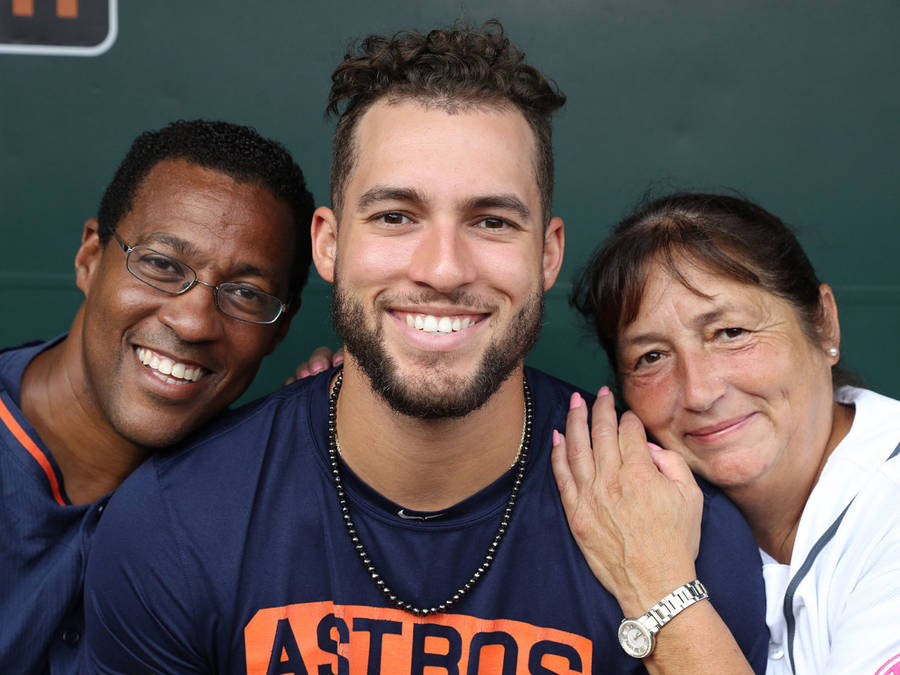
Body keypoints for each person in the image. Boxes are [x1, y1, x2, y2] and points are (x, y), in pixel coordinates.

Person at [82, 24, 769, 673]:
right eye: (395, 216)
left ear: (549, 253)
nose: (442, 269)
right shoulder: (177, 522)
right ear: (328, 242)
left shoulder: (677, 536)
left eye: (491, 220)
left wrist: (665, 591)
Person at [0, 119, 315, 674]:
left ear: (278, 330)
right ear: (91, 259)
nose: (194, 322)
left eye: (246, 293)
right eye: (162, 265)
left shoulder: (255, 488)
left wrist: (307, 441)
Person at [556, 192, 900, 674]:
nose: (699, 391)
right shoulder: (621, 517)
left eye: (731, 333)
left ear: (823, 324)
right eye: (651, 357)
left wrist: (658, 586)